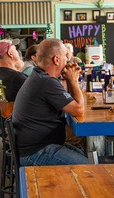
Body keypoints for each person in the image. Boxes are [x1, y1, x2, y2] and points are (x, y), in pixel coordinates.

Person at [13, 38, 89, 166]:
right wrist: (73, 80)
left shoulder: (40, 76)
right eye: (66, 56)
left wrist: (70, 80)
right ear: (56, 59)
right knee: (89, 167)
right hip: (35, 152)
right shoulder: (46, 82)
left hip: (35, 146)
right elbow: (78, 109)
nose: (68, 60)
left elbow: (71, 104)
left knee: (84, 156)